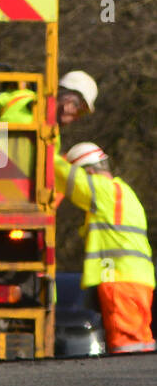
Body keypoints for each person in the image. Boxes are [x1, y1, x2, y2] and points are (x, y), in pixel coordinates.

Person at [56, 142, 155, 354]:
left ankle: (124, 385)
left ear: (88, 171)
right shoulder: (125, 192)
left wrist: (51, 153)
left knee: (126, 344)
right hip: (139, 280)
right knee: (142, 342)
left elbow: (64, 175)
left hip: (117, 278)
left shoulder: (101, 190)